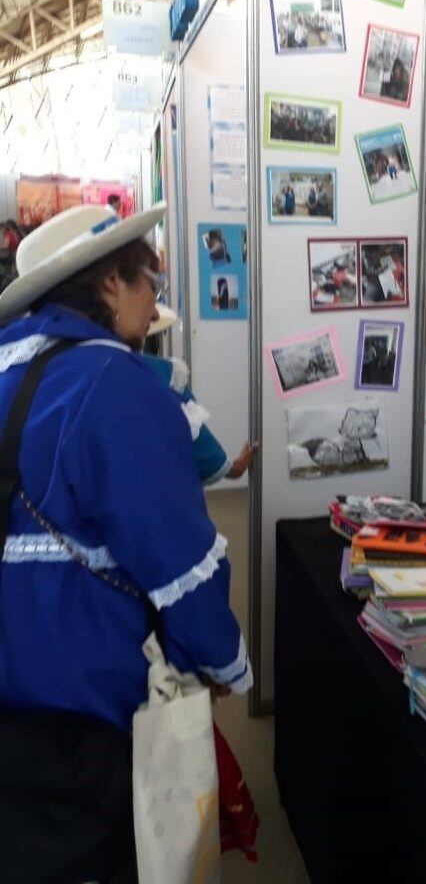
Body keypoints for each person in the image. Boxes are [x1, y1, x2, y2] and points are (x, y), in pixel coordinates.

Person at [0, 204, 251, 878]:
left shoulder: (8, 367)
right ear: (111, 282)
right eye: (150, 282)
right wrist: (222, 661)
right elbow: (178, 557)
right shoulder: (115, 382)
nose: (155, 300)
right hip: (86, 688)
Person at [141, 305, 256, 485]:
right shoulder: (164, 373)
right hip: (156, 493)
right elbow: (199, 443)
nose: (155, 314)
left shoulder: (84, 368)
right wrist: (234, 467)